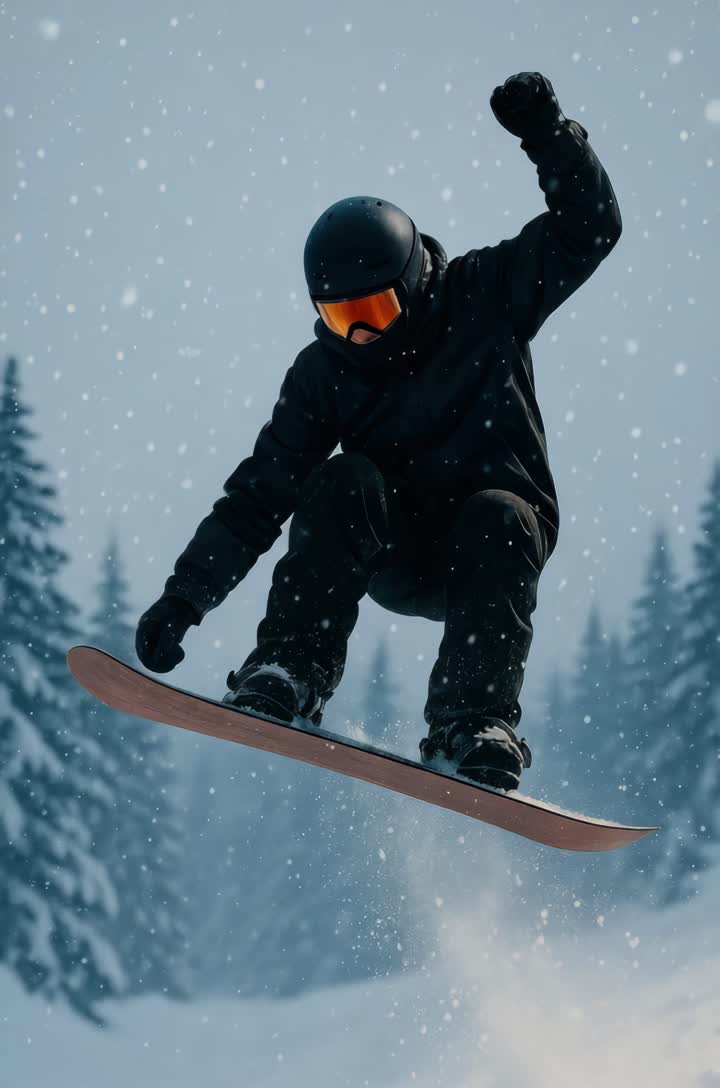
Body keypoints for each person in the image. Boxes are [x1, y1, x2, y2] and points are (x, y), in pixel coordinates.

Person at [135, 72, 622, 791]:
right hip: (395, 549)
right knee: (339, 479)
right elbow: (259, 495)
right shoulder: (324, 373)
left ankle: (473, 720)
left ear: (414, 280)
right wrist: (186, 598)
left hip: (491, 550)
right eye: (339, 317)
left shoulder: (486, 294)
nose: (360, 334)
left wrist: (548, 136)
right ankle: (291, 670)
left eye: (373, 310)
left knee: (497, 514)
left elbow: (591, 227)